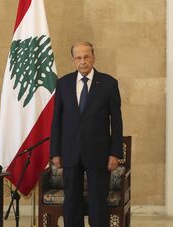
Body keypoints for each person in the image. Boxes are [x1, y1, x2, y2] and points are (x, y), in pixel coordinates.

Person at [50, 41, 123, 227]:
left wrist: (115, 153)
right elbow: (56, 121)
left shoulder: (109, 83)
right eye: (78, 58)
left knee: (98, 202)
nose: (83, 61)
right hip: (70, 152)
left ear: (93, 58)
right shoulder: (63, 84)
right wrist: (55, 153)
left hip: (99, 153)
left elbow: (116, 122)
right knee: (72, 201)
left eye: (86, 57)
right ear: (73, 60)